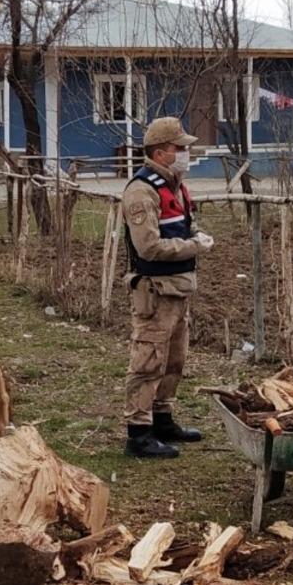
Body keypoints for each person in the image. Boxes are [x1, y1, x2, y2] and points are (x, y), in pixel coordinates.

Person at [120, 117, 215, 459]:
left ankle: (162, 418)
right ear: (160, 153)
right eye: (180, 148)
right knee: (148, 359)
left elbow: (181, 227)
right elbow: (149, 247)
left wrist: (195, 235)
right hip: (155, 290)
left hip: (178, 288)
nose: (186, 153)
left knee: (174, 359)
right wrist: (195, 247)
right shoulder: (141, 191)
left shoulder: (175, 186)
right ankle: (138, 432)